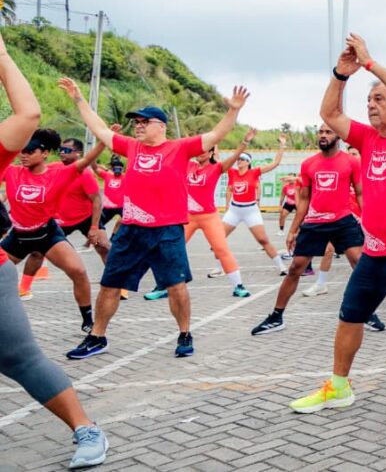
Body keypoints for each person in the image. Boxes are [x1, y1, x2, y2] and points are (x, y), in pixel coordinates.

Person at [288, 35, 386, 430]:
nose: (371, 106)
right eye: (368, 101)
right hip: (375, 250)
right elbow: (328, 112)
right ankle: (339, 387)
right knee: (349, 315)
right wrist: (342, 73)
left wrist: (371, 64)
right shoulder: (366, 138)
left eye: (378, 100)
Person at [61, 78, 248, 360]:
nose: (138, 125)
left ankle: (184, 333)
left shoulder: (180, 148)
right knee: (110, 284)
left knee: (176, 286)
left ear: (160, 126)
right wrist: (78, 98)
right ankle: (97, 337)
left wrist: (233, 110)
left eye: (144, 121)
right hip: (132, 230)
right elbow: (99, 128)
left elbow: (215, 135)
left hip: (167, 231)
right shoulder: (130, 147)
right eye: (136, 122)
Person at [0, 32, 109, 468]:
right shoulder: (14, 176)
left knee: (20, 356)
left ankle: (87, 428)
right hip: (17, 235)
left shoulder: (54, 172)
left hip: (45, 232)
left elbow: (28, 113)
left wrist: (4, 55)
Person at [251, 122, 384, 334]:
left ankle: (368, 313)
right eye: (320, 132)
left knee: (360, 264)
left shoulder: (351, 162)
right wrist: (294, 229)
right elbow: (303, 199)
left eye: (328, 132)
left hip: (343, 221)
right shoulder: (308, 164)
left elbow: (360, 193)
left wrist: (368, 222)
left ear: (338, 136)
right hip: (315, 223)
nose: (323, 135)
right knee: (296, 267)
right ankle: (276, 317)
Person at [1, 128, 104, 334]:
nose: (24, 155)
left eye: (30, 151)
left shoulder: (58, 173)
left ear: (45, 153)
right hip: (18, 235)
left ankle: (87, 320)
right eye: (22, 151)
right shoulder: (11, 172)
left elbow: (84, 161)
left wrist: (103, 139)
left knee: (79, 272)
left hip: (46, 234)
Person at [20, 136, 108, 297]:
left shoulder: (85, 174)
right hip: (59, 221)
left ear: (78, 153)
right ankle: (23, 288)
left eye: (67, 150)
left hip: (85, 220)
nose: (62, 153)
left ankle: (116, 285)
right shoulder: (53, 168)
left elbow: (96, 201)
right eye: (61, 149)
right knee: (37, 252)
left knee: (102, 246)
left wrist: (94, 228)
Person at [174, 129, 256, 300]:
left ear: (211, 152)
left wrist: (245, 143)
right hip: (187, 217)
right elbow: (178, 150)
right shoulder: (188, 165)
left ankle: (238, 286)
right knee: (173, 249)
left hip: (209, 217)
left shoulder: (216, 168)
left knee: (221, 249)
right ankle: (163, 285)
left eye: (203, 149)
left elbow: (233, 158)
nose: (199, 152)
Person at [222, 136, 287, 274]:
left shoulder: (255, 172)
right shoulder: (232, 172)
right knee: (218, 238)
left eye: (242, 159)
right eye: (238, 159)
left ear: (248, 162)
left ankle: (281, 266)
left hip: (250, 210)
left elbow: (275, 163)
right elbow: (227, 187)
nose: (239, 161)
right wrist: (227, 205)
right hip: (234, 210)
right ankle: (221, 267)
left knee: (263, 240)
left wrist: (282, 146)